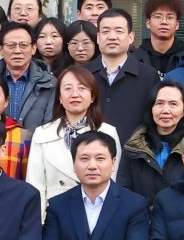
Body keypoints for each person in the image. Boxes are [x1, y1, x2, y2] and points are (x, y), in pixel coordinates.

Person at [24, 65, 117, 212]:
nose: (74, 94)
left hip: (96, 210)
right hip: (55, 213)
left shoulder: (108, 132)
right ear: (59, 97)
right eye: (68, 88)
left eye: (82, 88)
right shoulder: (42, 133)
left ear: (92, 96)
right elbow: (35, 185)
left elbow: (114, 181)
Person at [88, 8, 162, 140]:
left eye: (119, 31)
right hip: (89, 150)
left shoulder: (149, 76)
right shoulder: (83, 74)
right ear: (98, 38)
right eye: (105, 31)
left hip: (133, 151)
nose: (112, 37)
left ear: (130, 37)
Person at [118, 81, 184, 199]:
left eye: (173, 104)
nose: (165, 110)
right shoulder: (134, 145)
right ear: (151, 108)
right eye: (159, 103)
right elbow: (123, 188)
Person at [0, 22, 58, 131]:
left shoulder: (49, 83)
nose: (17, 51)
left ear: (33, 48)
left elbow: (51, 126)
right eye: (11, 46)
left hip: (35, 141)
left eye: (23, 45)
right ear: (0, 50)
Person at [140, 0, 184, 74]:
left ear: (177, 24)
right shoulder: (134, 59)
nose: (164, 22)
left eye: (170, 17)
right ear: (148, 23)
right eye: (158, 17)